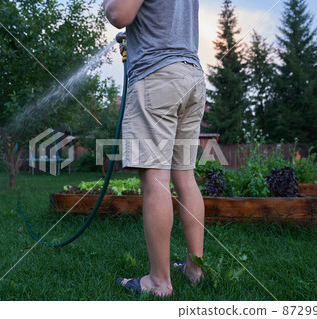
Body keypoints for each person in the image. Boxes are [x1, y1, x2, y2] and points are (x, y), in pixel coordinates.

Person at [103, 0, 206, 297]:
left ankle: (159, 282)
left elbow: (119, 14)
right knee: (185, 178)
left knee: (155, 179)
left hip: (157, 77)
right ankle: (194, 269)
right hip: (191, 75)